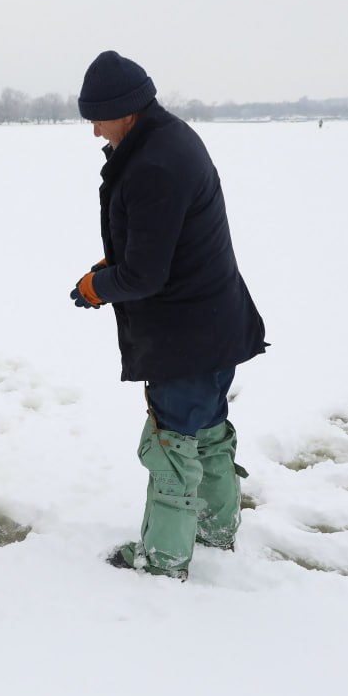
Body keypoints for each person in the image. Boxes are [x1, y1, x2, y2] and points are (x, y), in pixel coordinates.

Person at [69, 51, 266, 580]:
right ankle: (216, 528)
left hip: (186, 331)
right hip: (213, 320)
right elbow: (162, 243)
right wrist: (118, 263)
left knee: (172, 440)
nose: (94, 131)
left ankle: (163, 559)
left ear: (127, 110)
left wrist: (98, 286)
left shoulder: (154, 162)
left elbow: (147, 276)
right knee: (208, 427)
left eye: (99, 118)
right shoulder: (169, 138)